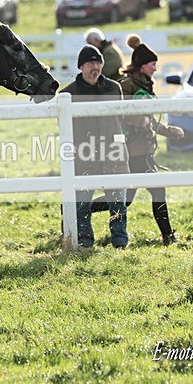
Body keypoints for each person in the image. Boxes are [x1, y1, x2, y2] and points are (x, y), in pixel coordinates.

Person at [61, 45, 130, 248]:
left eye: (98, 62)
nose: (96, 67)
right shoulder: (68, 94)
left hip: (113, 152)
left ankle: (119, 241)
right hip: (84, 154)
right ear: (81, 66)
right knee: (82, 202)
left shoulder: (114, 88)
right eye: (91, 63)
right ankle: (84, 241)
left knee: (118, 202)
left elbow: (121, 118)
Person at [118, 34, 184, 246]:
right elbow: (119, 114)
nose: (156, 68)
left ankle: (81, 210)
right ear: (142, 65)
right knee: (152, 192)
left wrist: (168, 131)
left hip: (144, 151)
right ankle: (168, 236)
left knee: (126, 199)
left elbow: (151, 120)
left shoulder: (146, 86)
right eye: (153, 64)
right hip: (132, 151)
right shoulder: (126, 86)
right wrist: (141, 121)